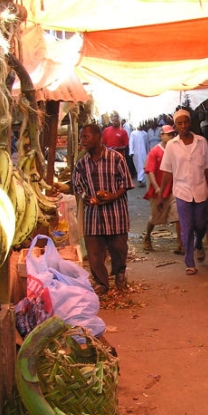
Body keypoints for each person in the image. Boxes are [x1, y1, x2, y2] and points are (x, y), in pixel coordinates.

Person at [72, 122, 135, 295]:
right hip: (93, 216)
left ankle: (120, 273)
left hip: (116, 214)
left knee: (119, 249)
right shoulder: (81, 163)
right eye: (81, 137)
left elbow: (126, 183)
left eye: (86, 136)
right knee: (94, 253)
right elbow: (77, 187)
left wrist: (112, 196)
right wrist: (87, 198)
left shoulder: (116, 158)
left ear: (98, 137)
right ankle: (101, 283)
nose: (83, 141)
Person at [158, 108, 208, 275]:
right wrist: (161, 195)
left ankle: (198, 244)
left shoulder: (201, 142)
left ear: (191, 123)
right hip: (182, 192)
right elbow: (167, 172)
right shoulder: (172, 146)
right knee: (187, 227)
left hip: (201, 190)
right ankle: (189, 262)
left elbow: (206, 169)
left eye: (186, 122)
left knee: (201, 224)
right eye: (179, 123)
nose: (183, 126)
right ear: (175, 126)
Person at [142, 125, 182, 254]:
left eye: (172, 134)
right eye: (168, 134)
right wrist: (157, 187)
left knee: (178, 216)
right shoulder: (155, 151)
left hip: (173, 189)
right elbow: (150, 171)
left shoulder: (176, 150)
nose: (170, 137)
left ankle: (181, 245)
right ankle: (147, 237)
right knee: (155, 218)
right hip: (158, 191)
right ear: (162, 135)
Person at [101, 113, 133, 179]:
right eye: (113, 121)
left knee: (119, 175)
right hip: (108, 157)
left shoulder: (123, 132)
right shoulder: (106, 130)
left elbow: (126, 146)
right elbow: (103, 143)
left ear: (119, 121)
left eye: (116, 121)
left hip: (119, 157)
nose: (114, 122)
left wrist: (117, 148)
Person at [129, 123, 150, 188]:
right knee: (138, 166)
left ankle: (141, 180)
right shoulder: (133, 133)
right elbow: (131, 143)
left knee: (143, 165)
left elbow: (147, 144)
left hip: (144, 153)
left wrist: (148, 152)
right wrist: (131, 151)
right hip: (136, 153)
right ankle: (141, 180)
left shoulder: (145, 134)